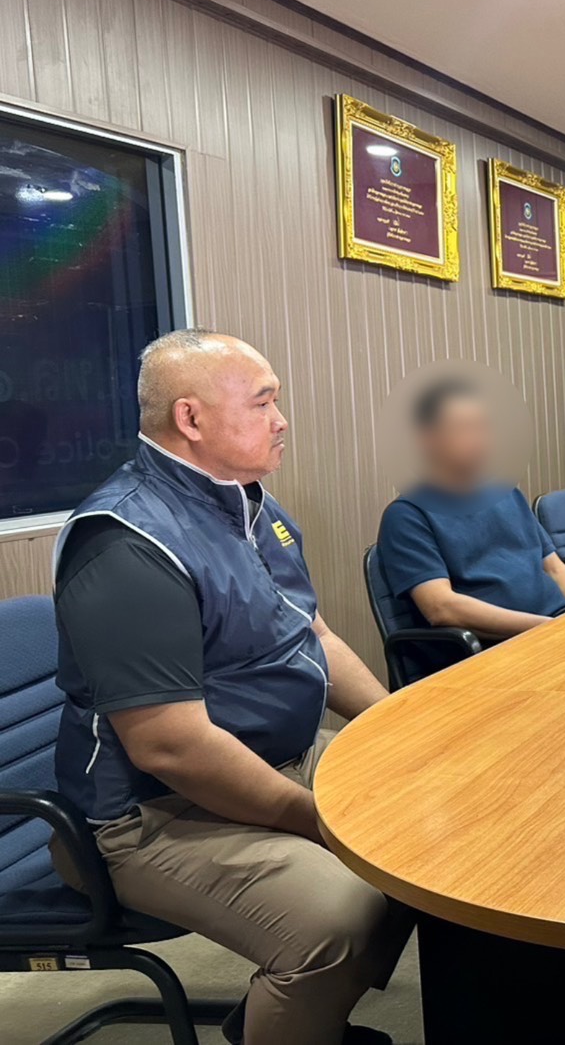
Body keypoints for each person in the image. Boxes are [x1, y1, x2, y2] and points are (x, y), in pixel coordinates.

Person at [50, 329, 408, 1045]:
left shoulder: (250, 508)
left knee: (426, 811)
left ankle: (294, 1018)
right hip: (151, 815)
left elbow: (313, 635)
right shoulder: (127, 542)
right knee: (339, 916)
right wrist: (321, 822)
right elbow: (172, 749)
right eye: (263, 402)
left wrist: (401, 723)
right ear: (190, 419)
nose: (282, 420)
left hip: (277, 757)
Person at [376, 377, 565, 642]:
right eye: (465, 429)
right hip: (507, 644)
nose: (480, 440)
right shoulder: (407, 516)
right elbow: (441, 607)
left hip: (558, 626)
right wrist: (550, 628)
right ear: (427, 439)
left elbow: (556, 569)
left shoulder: (505, 491)